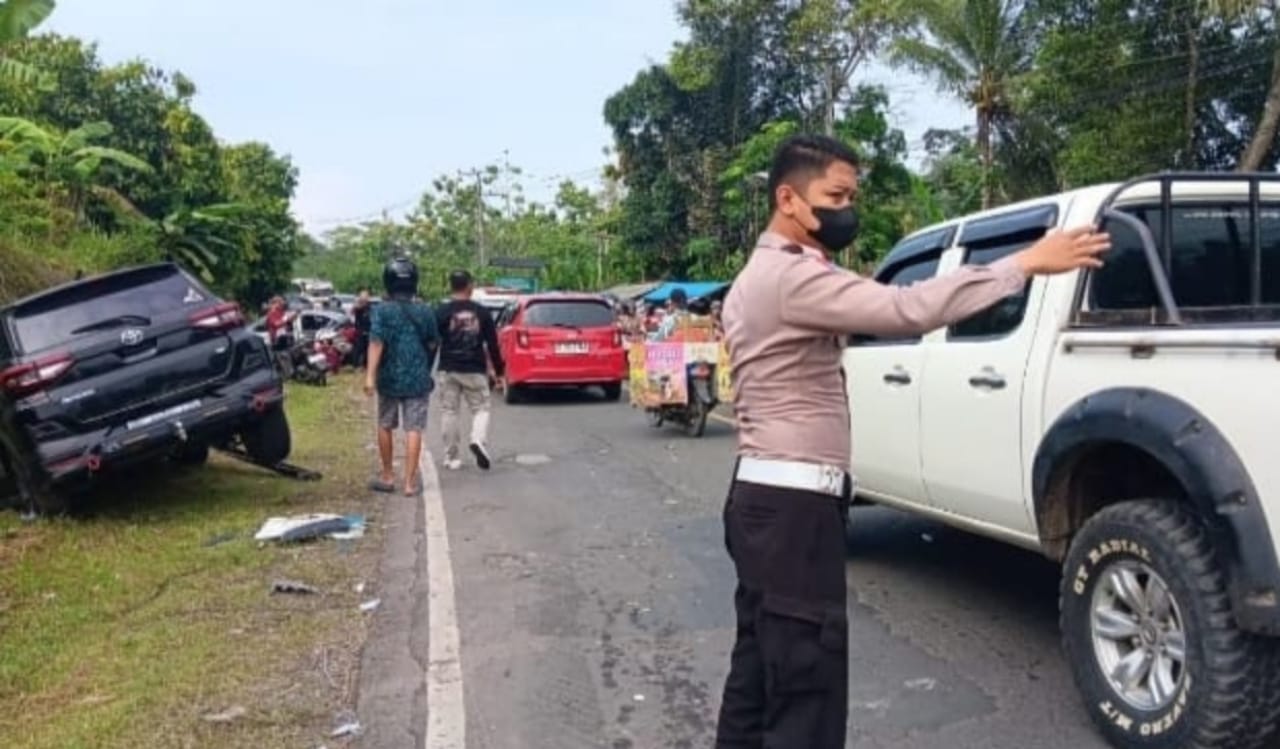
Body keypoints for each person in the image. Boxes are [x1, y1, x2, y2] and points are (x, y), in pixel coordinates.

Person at [713, 134, 1111, 749]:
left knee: (762, 667)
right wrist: (1024, 264)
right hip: (791, 508)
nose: (849, 208)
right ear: (788, 199)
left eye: (852, 194)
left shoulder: (768, 275)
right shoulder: (790, 278)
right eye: (836, 195)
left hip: (765, 501)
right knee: (805, 683)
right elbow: (908, 310)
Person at [364, 257, 440, 496]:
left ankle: (388, 477)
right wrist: (425, 368)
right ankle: (409, 483)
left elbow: (376, 343)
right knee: (414, 428)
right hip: (417, 379)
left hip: (388, 378)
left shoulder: (381, 311)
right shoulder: (425, 311)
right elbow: (433, 342)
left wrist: (369, 375)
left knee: (385, 424)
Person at [434, 269, 505, 472]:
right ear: (470, 286)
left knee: (449, 411)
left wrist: (425, 370)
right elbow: (492, 345)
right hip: (474, 369)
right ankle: (477, 439)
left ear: (451, 286)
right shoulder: (482, 313)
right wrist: (499, 373)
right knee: (481, 408)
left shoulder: (441, 312)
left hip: (448, 368)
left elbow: (431, 342)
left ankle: (452, 458)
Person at [352, 288, 373, 367]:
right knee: (358, 348)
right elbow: (356, 309)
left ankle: (366, 364)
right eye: (363, 295)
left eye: (367, 295)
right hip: (360, 331)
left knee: (368, 349)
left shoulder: (370, 307)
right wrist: (361, 300)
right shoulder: (359, 306)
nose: (365, 297)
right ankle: (355, 364)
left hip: (369, 330)